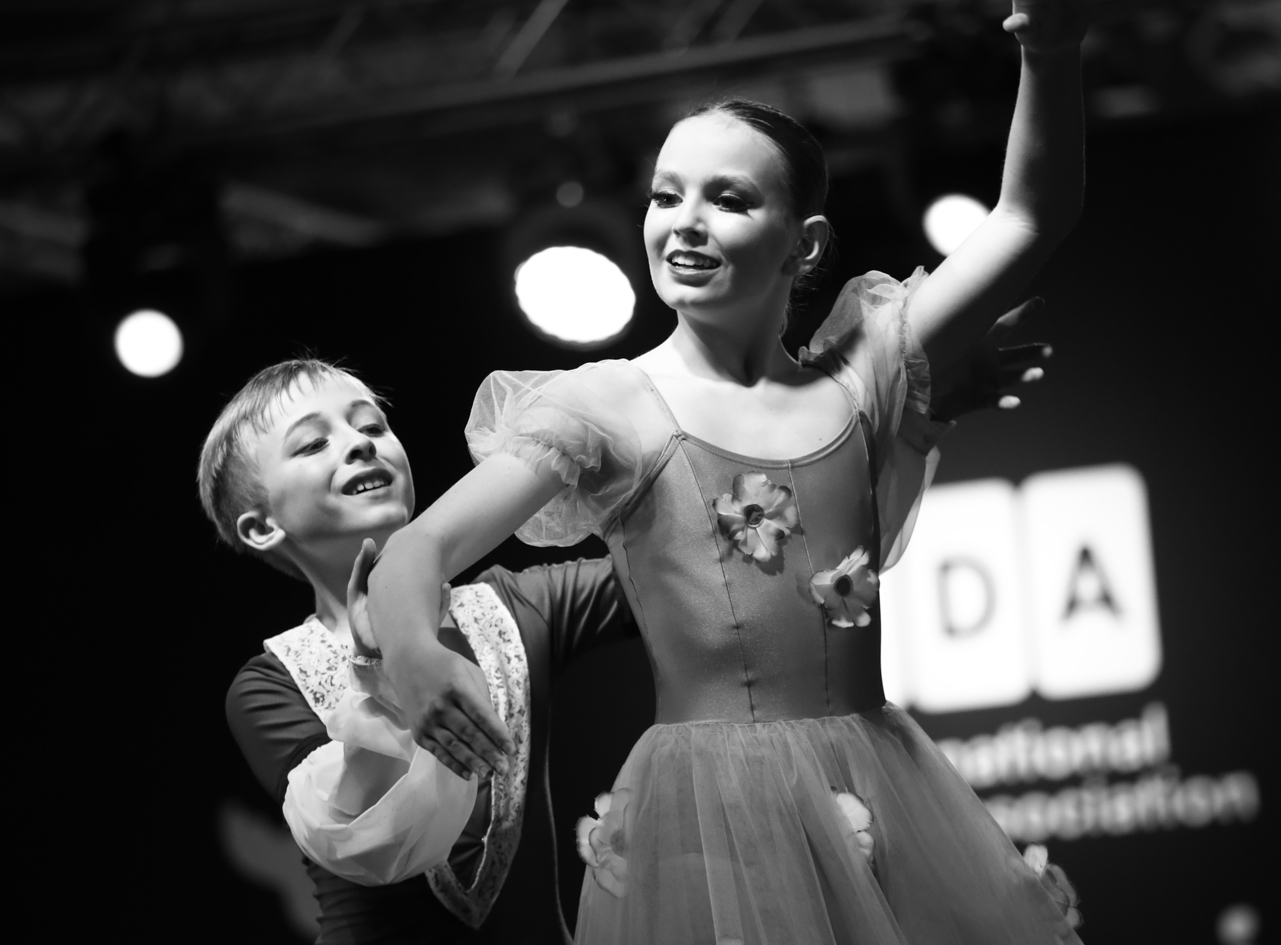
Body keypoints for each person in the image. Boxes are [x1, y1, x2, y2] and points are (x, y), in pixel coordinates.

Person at [365, 0, 1090, 941]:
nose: (685, 224)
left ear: (805, 242)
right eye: (665, 196)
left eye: (730, 200)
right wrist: (415, 653)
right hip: (707, 818)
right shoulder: (609, 405)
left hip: (881, 786)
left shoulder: (863, 373)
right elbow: (417, 548)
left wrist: (1050, 50)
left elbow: (1031, 216)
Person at [207, 359, 638, 944]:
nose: (360, 443)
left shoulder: (519, 607)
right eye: (312, 444)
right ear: (262, 527)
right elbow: (357, 838)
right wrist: (377, 670)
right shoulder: (270, 682)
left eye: (372, 426)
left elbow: (676, 575)